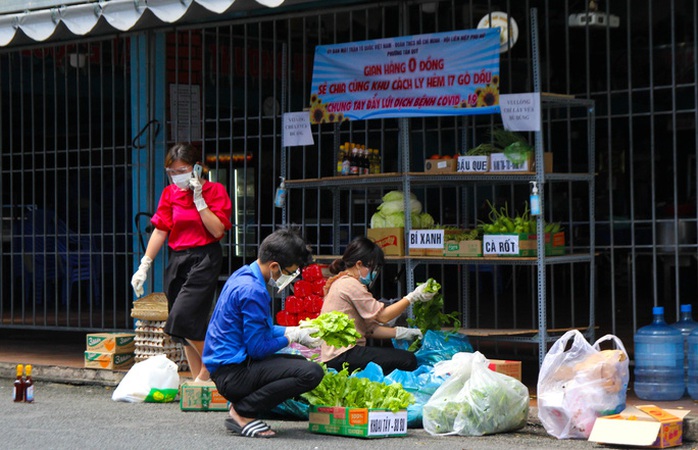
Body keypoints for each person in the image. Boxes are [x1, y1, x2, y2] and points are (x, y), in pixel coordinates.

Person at [203, 228, 324, 438]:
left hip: (228, 368)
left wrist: (293, 329)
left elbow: (262, 328)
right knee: (311, 373)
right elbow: (258, 348)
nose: (290, 278)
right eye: (289, 272)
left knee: (299, 364)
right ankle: (243, 411)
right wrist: (292, 337)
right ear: (275, 266)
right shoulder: (254, 292)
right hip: (232, 373)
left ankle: (243, 407)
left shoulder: (244, 275)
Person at [130, 142, 232, 383]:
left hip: (205, 257)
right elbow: (160, 230)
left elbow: (218, 231)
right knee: (187, 327)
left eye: (182, 170)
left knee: (181, 317)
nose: (177, 177)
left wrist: (200, 201)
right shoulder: (170, 194)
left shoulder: (216, 191)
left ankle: (212, 367)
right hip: (178, 258)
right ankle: (200, 381)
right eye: (172, 172)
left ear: (197, 168)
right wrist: (144, 264)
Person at [320, 236, 435, 375]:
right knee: (408, 360)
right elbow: (383, 317)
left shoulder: (342, 282)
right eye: (373, 267)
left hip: (337, 355)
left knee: (402, 358)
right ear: (359, 264)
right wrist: (412, 297)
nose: (375, 273)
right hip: (342, 354)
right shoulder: (350, 284)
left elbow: (370, 330)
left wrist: (403, 333)